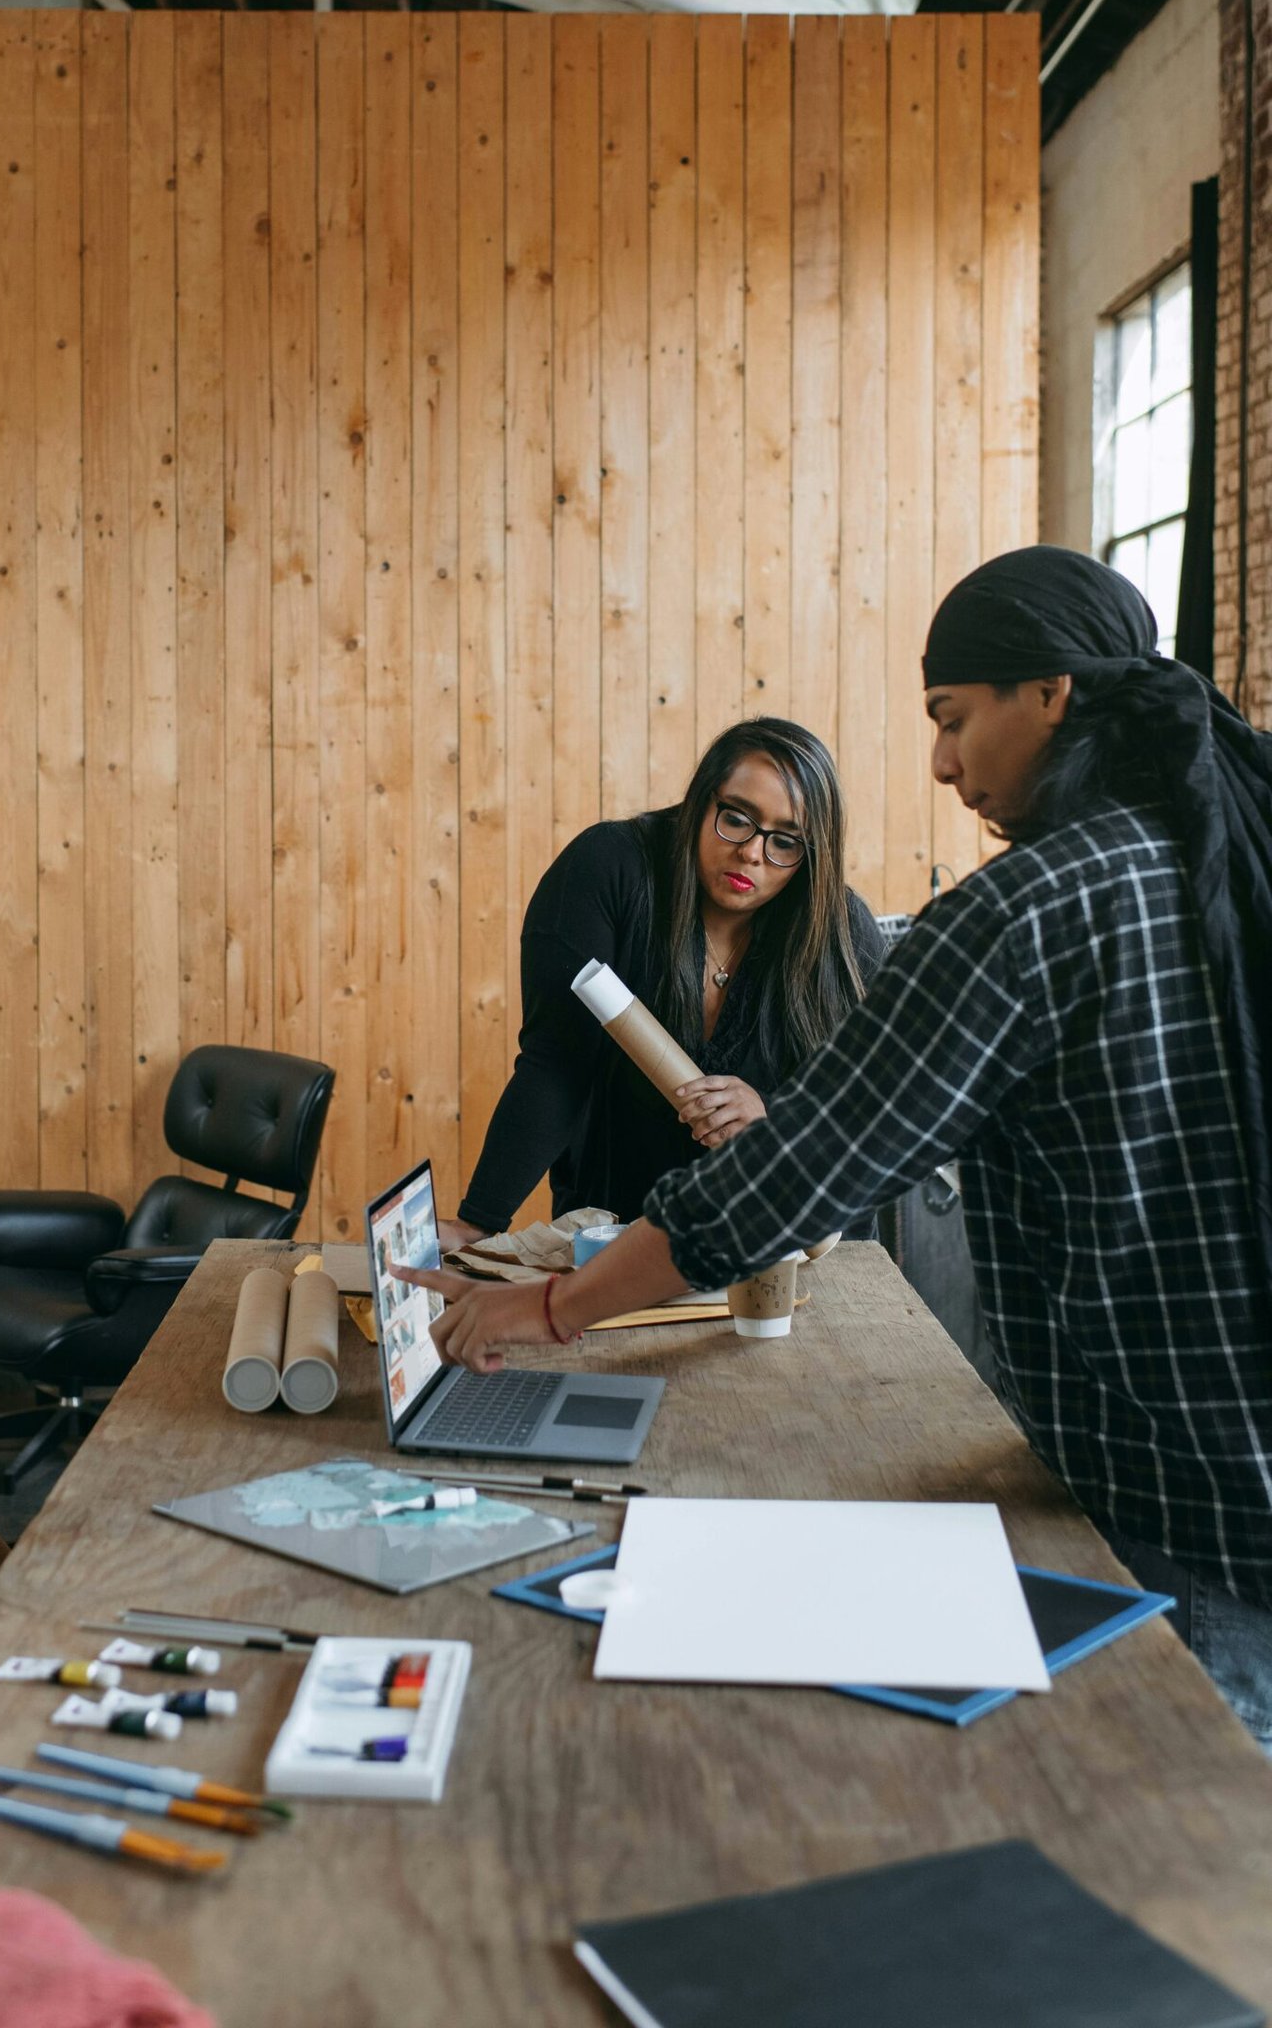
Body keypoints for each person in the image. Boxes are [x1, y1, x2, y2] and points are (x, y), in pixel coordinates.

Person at [398, 548, 1272, 1750]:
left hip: (1169, 1493)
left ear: (1053, 695)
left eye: (951, 718)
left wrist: (553, 1309)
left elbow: (794, 1171)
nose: (941, 762)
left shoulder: (1023, 910)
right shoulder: (1226, 864)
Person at [442, 718, 886, 1250]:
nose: (751, 852)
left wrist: (776, 1119)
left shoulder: (840, 932)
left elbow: (868, 1106)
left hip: (785, 1248)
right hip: (619, 1234)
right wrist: (479, 1221)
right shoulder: (608, 870)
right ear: (702, 800)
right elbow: (557, 1061)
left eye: (785, 842)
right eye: (737, 818)